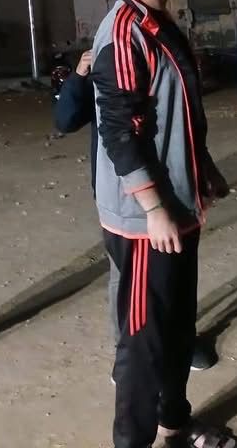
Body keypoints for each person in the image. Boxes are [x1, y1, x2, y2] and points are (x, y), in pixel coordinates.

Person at [90, 0, 234, 448]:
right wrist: (153, 208)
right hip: (145, 223)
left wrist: (203, 167)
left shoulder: (159, 24)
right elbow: (119, 132)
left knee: (176, 328)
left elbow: (177, 112)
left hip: (177, 207)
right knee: (142, 343)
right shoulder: (124, 31)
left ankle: (175, 423)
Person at [54, 48, 218, 373]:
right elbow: (66, 120)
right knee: (128, 275)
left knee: (172, 272)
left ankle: (179, 341)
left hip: (173, 184)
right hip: (127, 194)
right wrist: (79, 77)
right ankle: (127, 354)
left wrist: (206, 167)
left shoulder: (157, 50)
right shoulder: (109, 61)